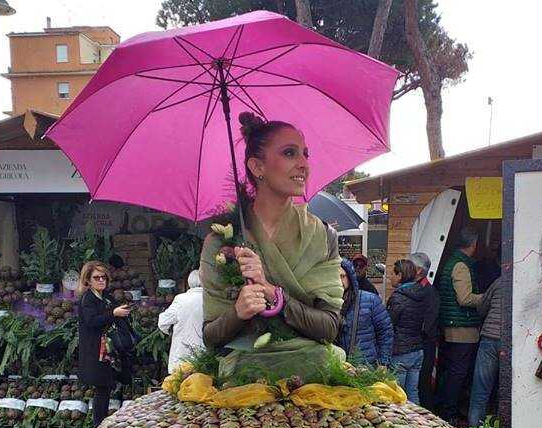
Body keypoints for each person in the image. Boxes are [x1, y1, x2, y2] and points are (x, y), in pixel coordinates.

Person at [200, 112, 343, 381]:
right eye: (290, 153)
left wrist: (272, 294)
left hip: (313, 383)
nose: (304, 164)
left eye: (305, 154)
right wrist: (238, 313)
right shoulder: (221, 242)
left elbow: (330, 327)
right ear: (257, 167)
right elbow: (211, 336)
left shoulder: (322, 236)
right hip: (241, 388)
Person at [436, 225, 484, 424]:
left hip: (454, 324)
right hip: (461, 328)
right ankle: (449, 413)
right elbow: (464, 298)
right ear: (473, 244)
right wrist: (486, 297)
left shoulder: (454, 262)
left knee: (452, 370)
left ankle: (446, 408)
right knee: (458, 372)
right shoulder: (461, 266)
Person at [77, 260, 132, 428]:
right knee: (102, 387)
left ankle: (100, 424)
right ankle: (98, 426)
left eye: (103, 277)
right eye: (96, 278)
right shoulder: (88, 299)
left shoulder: (106, 297)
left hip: (107, 351)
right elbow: (92, 321)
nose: (101, 280)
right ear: (88, 280)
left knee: (106, 386)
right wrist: (113, 313)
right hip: (96, 351)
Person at [387, 259, 431, 404]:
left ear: (400, 276)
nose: (390, 277)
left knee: (398, 396)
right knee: (412, 393)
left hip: (401, 352)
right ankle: (420, 425)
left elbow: (389, 324)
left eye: (393, 274)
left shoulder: (398, 297)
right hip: (418, 350)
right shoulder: (423, 294)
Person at [336, 259, 392, 367]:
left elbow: (385, 332)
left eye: (342, 276)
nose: (339, 281)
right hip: (338, 368)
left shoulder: (371, 300)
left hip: (366, 367)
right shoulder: (327, 304)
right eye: (335, 277)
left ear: (350, 278)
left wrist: (383, 362)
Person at [406, 252, 440, 410]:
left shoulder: (430, 293)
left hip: (424, 347)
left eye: (409, 265)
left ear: (418, 270)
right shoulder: (413, 288)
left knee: (422, 385)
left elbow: (428, 324)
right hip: (415, 345)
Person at [468, 276, 501, 427]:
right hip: (513, 342)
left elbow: (482, 307)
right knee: (509, 390)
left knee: (480, 388)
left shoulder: (499, 281)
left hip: (490, 338)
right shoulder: (528, 284)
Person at [158, 269, 204, 373]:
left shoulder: (181, 299)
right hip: (206, 355)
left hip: (183, 355)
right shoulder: (213, 299)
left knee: (181, 386)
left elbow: (163, 322)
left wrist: (169, 332)